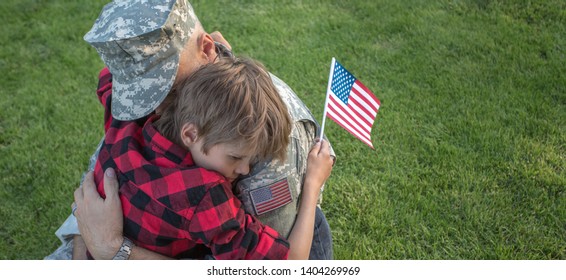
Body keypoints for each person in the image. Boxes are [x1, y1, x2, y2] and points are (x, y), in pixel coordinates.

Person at [45, 0, 336, 260]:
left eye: (164, 88)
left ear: (208, 49)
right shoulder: (148, 105)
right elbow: (100, 178)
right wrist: (85, 236)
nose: (153, 112)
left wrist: (114, 250)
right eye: (137, 94)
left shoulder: (264, 138)